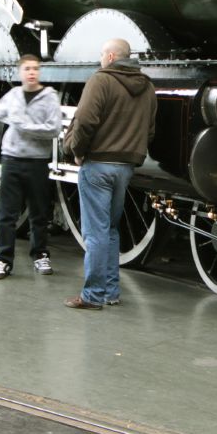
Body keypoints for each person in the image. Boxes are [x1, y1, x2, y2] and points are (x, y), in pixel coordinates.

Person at [64, 38, 157, 310]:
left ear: (112, 56)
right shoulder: (147, 86)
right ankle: (110, 292)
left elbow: (84, 120)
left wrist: (74, 150)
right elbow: (149, 130)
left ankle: (93, 295)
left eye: (102, 53)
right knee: (111, 229)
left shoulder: (101, 80)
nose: (100, 58)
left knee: (95, 232)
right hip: (125, 168)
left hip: (98, 165)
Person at [0, 53, 63, 280]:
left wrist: (25, 127)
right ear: (20, 72)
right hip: (11, 160)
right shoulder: (13, 95)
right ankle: (3, 260)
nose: (31, 72)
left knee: (39, 213)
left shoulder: (49, 97)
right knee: (6, 213)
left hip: (37, 161)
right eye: (27, 68)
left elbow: (54, 129)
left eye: (35, 68)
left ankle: (40, 255)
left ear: (39, 72)